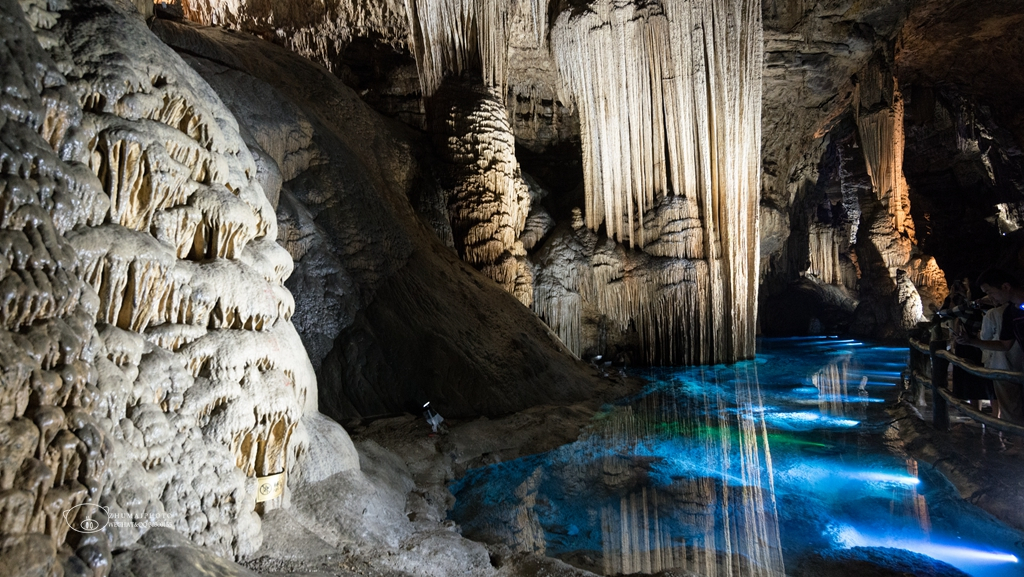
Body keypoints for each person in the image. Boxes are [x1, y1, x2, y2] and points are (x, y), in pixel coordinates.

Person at [958, 268, 1024, 423]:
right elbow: (1005, 344)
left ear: (1006, 287)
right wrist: (972, 341)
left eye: (990, 291)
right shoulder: (1010, 312)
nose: (989, 297)